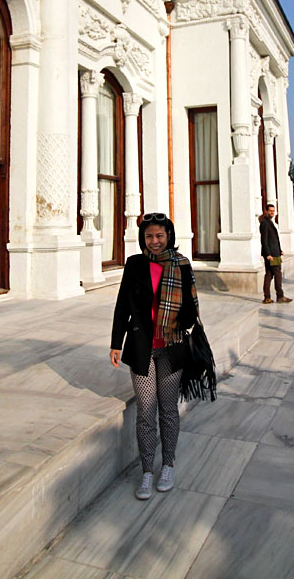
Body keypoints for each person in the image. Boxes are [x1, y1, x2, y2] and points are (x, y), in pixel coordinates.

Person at [110, 213, 198, 500]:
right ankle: (147, 470)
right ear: (143, 239)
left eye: (160, 235)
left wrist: (181, 316)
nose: (155, 241)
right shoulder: (135, 264)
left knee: (168, 409)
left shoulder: (181, 264)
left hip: (171, 346)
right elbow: (123, 304)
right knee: (146, 411)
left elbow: (191, 308)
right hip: (141, 346)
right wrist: (115, 342)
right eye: (149, 236)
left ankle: (168, 464)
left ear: (168, 236)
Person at [259, 204, 292, 304]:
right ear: (266, 211)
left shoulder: (269, 222)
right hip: (272, 255)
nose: (272, 212)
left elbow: (274, 240)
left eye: (273, 211)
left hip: (275, 252)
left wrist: (280, 250)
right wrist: (268, 254)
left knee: (269, 274)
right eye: (270, 211)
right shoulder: (265, 223)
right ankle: (280, 296)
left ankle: (267, 297)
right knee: (277, 274)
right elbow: (264, 240)